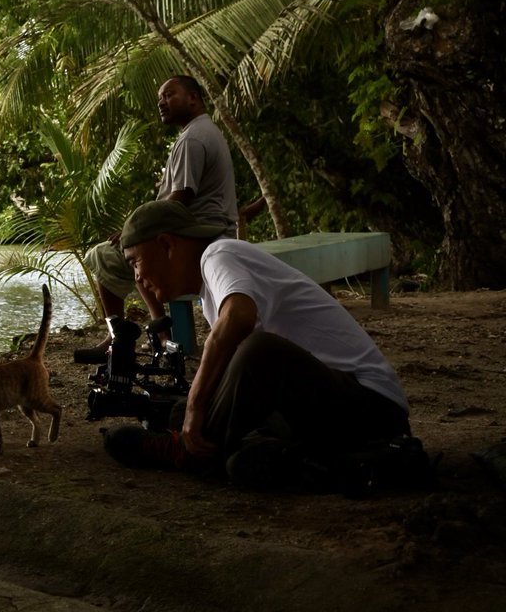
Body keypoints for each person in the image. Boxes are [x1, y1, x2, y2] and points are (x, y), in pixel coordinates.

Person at [106, 200, 411, 489]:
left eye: (135, 262)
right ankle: (292, 459)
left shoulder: (219, 254)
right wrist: (190, 408)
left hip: (371, 406)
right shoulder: (210, 288)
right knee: (189, 420)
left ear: (166, 244)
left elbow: (239, 318)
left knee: (257, 351)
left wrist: (198, 406)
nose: (138, 277)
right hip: (324, 407)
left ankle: (187, 452)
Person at [85, 75, 238, 340]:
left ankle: (123, 338)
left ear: (193, 97)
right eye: (159, 99)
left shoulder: (193, 139)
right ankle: (160, 329)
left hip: (198, 236)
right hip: (206, 230)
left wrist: (135, 231)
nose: (162, 103)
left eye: (169, 95)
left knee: (104, 256)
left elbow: (181, 198)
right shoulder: (202, 131)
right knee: (134, 247)